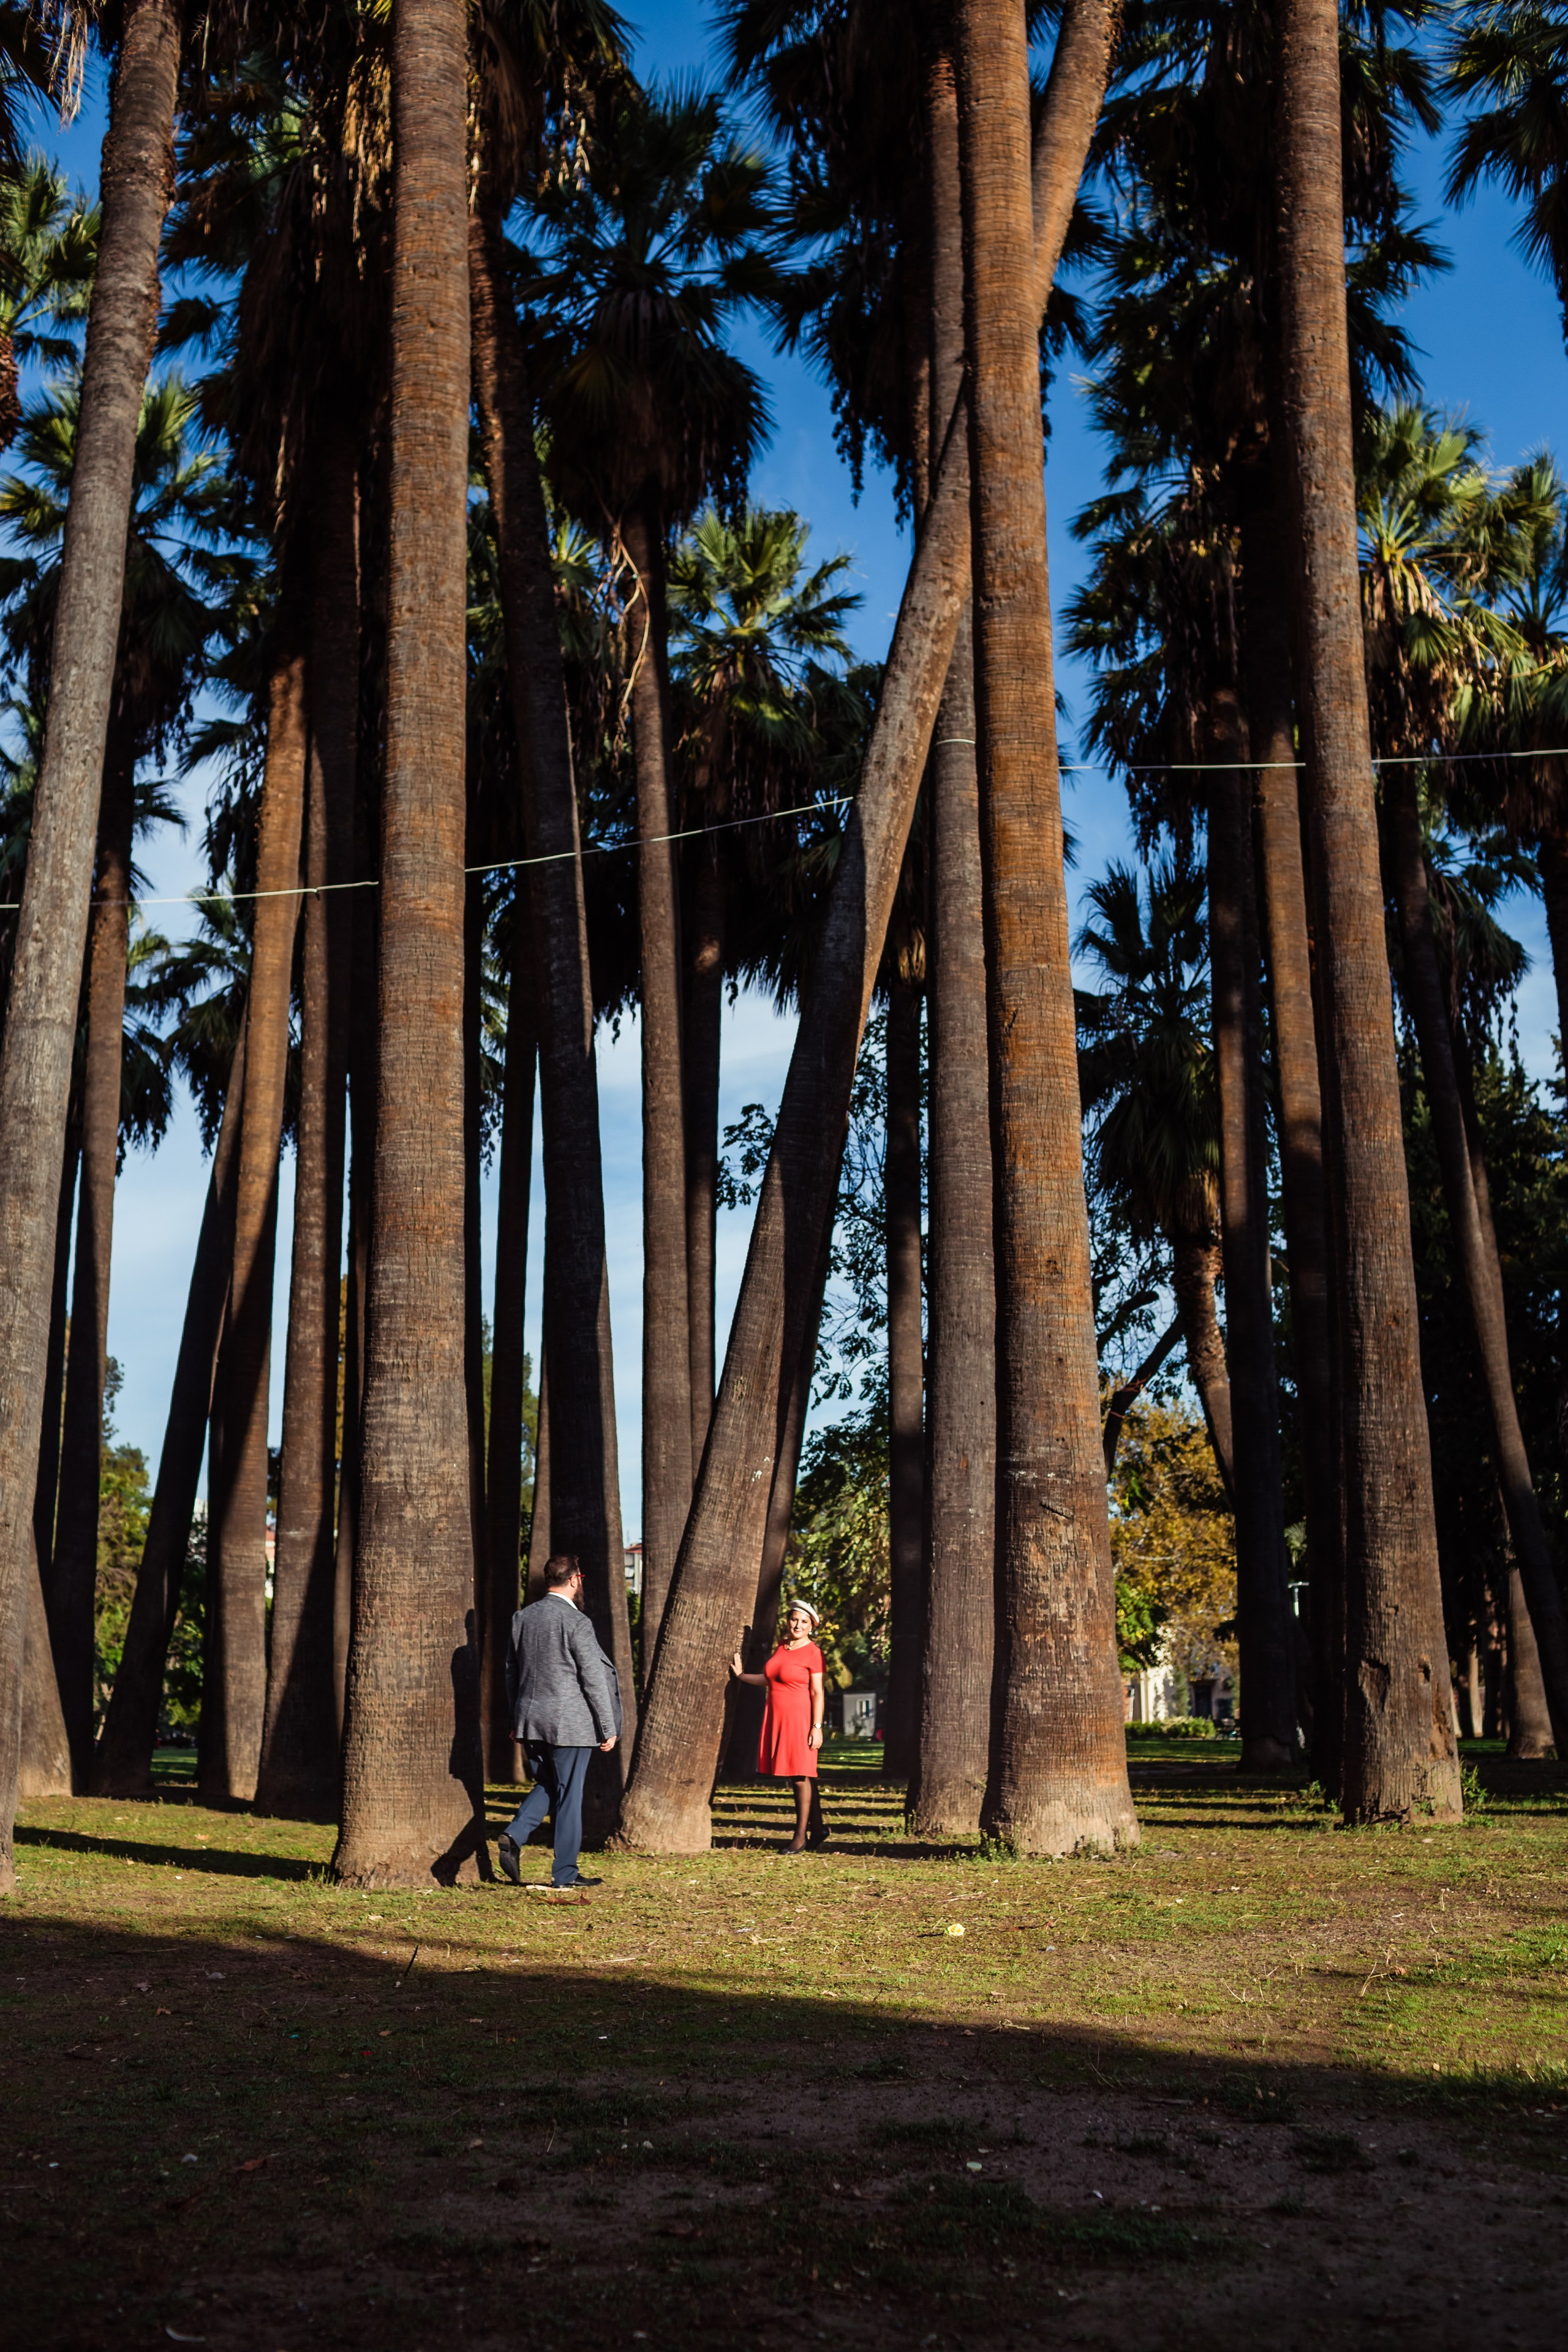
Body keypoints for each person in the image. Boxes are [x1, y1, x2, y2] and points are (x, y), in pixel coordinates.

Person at [498, 1553, 621, 1891]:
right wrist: (608, 1726)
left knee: (550, 1785)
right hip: (571, 1724)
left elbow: (512, 1671)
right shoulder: (576, 1622)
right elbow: (593, 1678)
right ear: (574, 1580)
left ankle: (514, 1834)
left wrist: (515, 1718)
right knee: (568, 1796)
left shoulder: (522, 1618)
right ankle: (565, 1873)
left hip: (530, 1719)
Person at [730, 1597, 828, 1853]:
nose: (798, 1625)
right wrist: (741, 1676)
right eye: (794, 1619)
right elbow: (770, 1679)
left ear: (811, 1626)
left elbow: (818, 1692)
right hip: (778, 1718)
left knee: (799, 1775)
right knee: (803, 1774)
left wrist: (816, 1727)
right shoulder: (782, 1647)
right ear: (788, 1621)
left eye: (804, 1622)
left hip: (801, 1720)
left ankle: (800, 1837)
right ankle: (819, 1829)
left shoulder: (814, 1653)